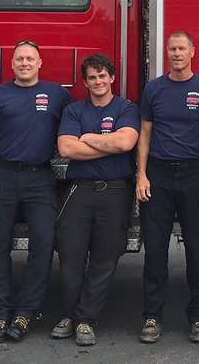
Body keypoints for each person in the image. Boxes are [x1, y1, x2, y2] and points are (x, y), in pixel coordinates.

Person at [0, 41, 74, 343]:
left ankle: (26, 313)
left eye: (30, 58)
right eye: (19, 59)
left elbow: (78, 123)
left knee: (43, 244)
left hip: (40, 178)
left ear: (40, 62)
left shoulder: (58, 95)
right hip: (0, 177)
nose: (25, 63)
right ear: (12, 64)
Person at [136, 31, 199, 344]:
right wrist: (142, 175)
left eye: (181, 48)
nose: (175, 53)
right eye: (171, 49)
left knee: (197, 252)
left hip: (193, 176)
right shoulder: (154, 89)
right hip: (158, 176)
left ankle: (198, 317)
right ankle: (152, 316)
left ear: (192, 52)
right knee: (155, 252)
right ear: (167, 54)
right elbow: (145, 134)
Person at [50, 54, 141, 347]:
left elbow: (126, 142)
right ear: (85, 81)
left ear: (112, 77)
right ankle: (69, 314)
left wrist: (86, 138)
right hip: (80, 189)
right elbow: (66, 147)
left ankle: (84, 320)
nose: (98, 82)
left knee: (105, 259)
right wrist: (108, 145)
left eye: (103, 76)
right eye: (92, 77)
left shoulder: (127, 108)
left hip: (116, 191)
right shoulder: (75, 109)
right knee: (70, 256)